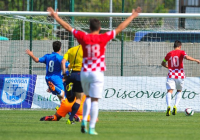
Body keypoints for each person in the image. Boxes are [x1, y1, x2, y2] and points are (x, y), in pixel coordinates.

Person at [47, 6, 141, 135]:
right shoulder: (103, 38)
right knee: (94, 100)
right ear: (100, 28)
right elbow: (120, 28)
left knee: (87, 98)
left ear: (90, 28)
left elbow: (68, 28)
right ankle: (91, 127)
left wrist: (56, 17)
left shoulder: (84, 37)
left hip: (84, 73)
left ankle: (84, 121)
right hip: (97, 73)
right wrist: (132, 16)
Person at [161, 40, 200, 116]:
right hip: (180, 75)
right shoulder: (182, 52)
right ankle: (175, 106)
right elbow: (187, 57)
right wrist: (196, 60)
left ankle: (168, 106)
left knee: (169, 91)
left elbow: (163, 63)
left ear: (174, 46)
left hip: (171, 74)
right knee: (179, 90)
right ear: (180, 46)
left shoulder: (169, 54)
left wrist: (169, 67)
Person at [61, 44, 84, 124]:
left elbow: (63, 62)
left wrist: (64, 74)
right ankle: (70, 119)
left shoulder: (71, 49)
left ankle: (71, 91)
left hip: (71, 75)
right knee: (79, 99)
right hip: (80, 75)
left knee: (71, 99)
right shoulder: (87, 50)